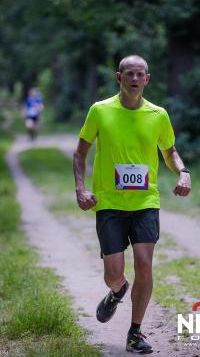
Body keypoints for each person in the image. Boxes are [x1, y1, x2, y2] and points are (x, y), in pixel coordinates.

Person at [73, 55, 191, 354]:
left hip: (145, 201)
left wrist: (183, 173)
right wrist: (81, 189)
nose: (135, 79)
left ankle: (135, 333)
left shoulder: (158, 114)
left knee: (144, 264)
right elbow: (80, 152)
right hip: (109, 202)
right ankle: (117, 291)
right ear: (119, 77)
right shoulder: (100, 111)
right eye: (129, 74)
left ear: (147, 79)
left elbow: (170, 151)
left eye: (140, 74)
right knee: (113, 273)